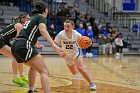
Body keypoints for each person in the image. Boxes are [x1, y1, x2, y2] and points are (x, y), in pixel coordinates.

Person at [11, 1, 63, 93]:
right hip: (24, 45)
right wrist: (53, 45)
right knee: (44, 71)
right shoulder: (41, 17)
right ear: (45, 10)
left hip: (16, 45)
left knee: (33, 67)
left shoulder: (31, 19)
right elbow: (43, 30)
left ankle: (31, 90)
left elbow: (29, 33)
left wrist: (35, 44)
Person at [54, 20, 96, 90]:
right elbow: (54, 44)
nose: (66, 28)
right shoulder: (61, 34)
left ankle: (91, 83)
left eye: (68, 26)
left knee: (80, 68)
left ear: (72, 27)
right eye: (65, 26)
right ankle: (83, 68)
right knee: (74, 72)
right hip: (66, 54)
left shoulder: (77, 34)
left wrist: (87, 43)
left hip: (76, 52)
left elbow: (84, 41)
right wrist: (59, 52)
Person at [0, 13, 30, 86]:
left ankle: (22, 76)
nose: (29, 20)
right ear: (22, 19)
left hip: (4, 41)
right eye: (27, 19)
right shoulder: (19, 25)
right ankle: (15, 77)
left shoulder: (21, 26)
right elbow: (19, 39)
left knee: (19, 57)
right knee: (16, 55)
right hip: (1, 41)